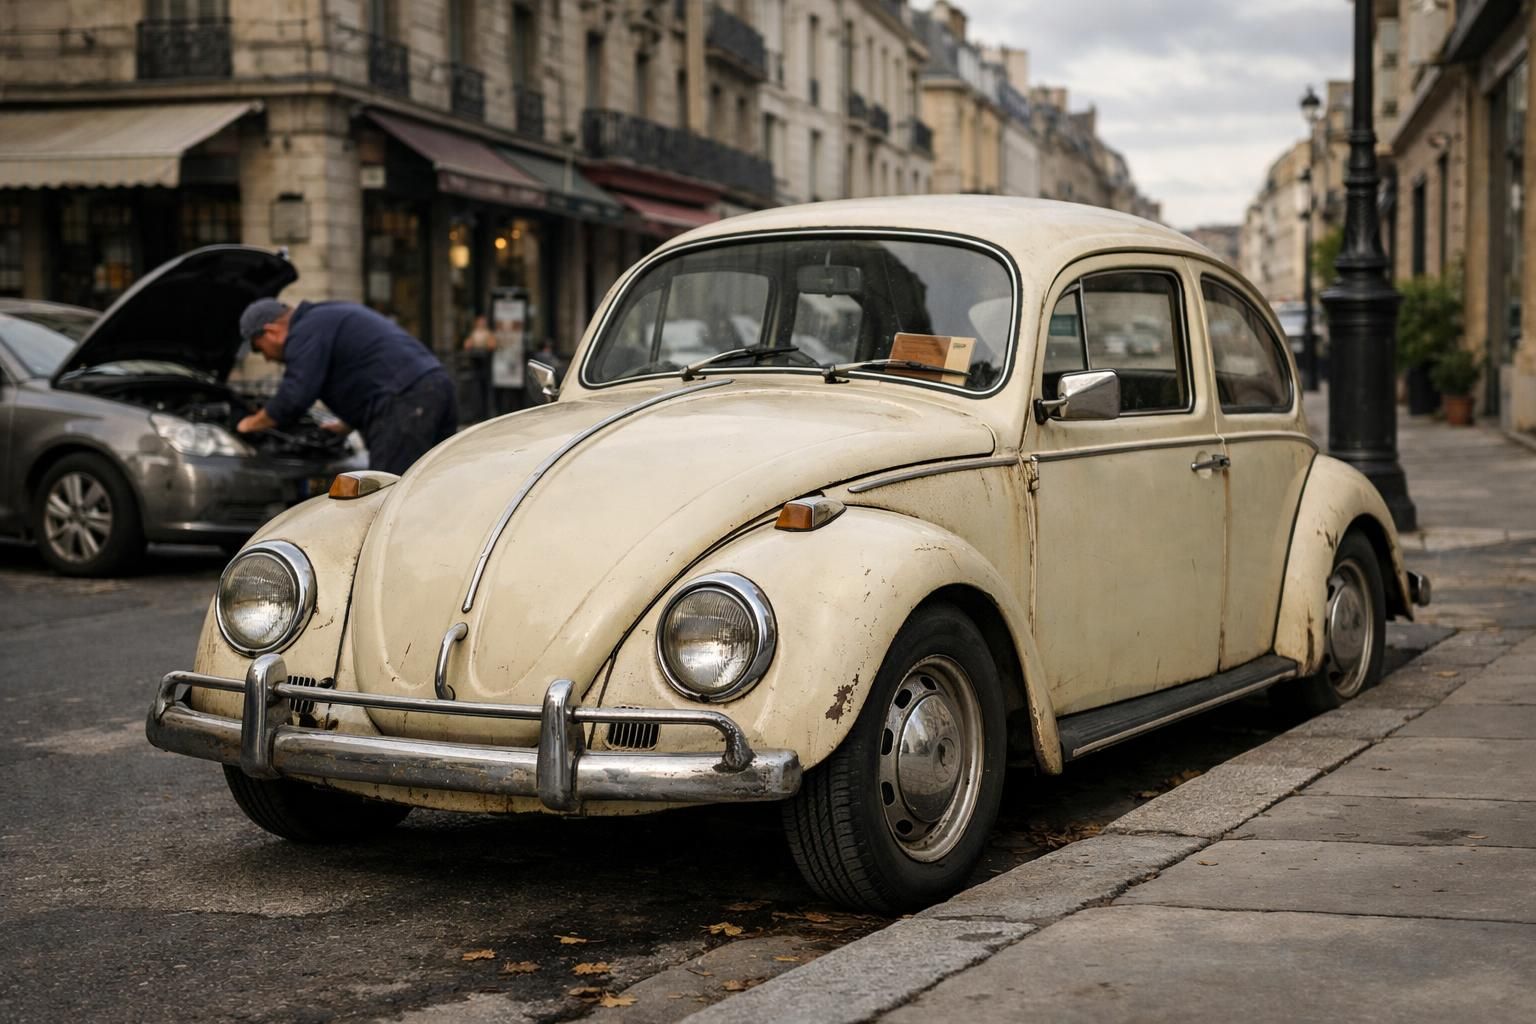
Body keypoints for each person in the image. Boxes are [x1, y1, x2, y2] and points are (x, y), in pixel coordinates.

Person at [236, 298, 457, 475]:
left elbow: (294, 397)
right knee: (434, 482)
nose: (265, 358)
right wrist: (347, 424)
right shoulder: (324, 316)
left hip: (406, 400)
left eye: (258, 349)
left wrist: (249, 424)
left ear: (271, 331)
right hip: (433, 386)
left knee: (391, 493)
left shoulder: (304, 331)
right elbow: (365, 368)